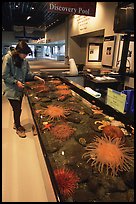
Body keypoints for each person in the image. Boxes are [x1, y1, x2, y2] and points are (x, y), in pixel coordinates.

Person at [2, 40, 45, 138]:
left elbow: (28, 73)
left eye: (27, 54)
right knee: (17, 109)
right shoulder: (8, 58)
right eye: (24, 54)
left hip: (20, 89)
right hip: (11, 89)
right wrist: (16, 82)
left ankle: (16, 123)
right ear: (18, 51)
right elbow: (4, 75)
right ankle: (18, 127)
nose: (25, 56)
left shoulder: (25, 61)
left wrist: (36, 77)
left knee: (18, 109)